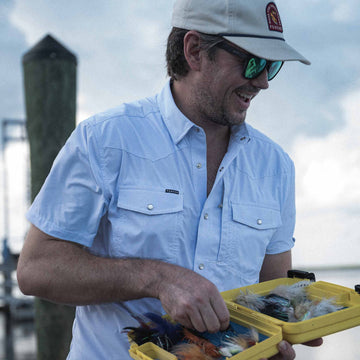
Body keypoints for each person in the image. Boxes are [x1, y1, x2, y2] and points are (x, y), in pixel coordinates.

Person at [17, 0, 323, 359]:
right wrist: (156, 278)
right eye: (253, 62)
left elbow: (272, 295)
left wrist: (282, 338)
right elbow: (36, 269)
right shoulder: (105, 139)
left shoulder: (276, 166)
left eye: (273, 66)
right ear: (194, 51)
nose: (262, 82)